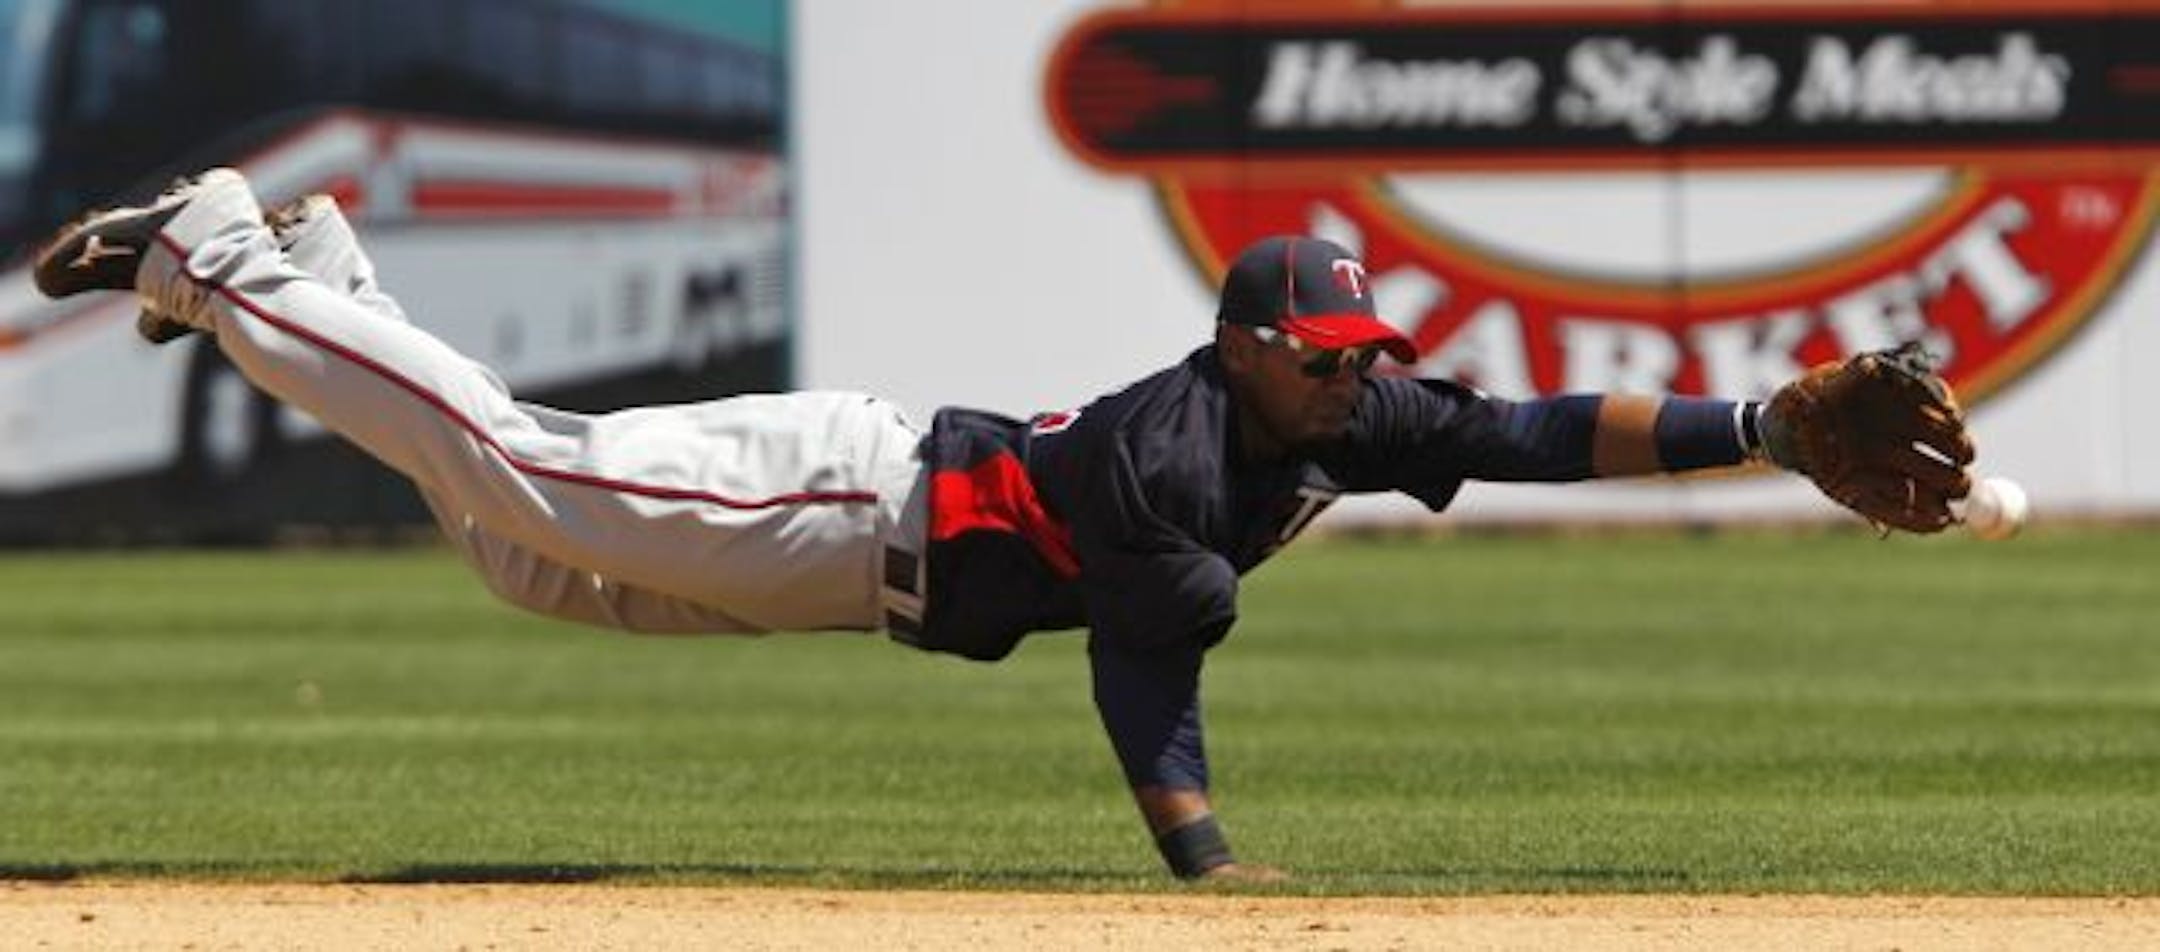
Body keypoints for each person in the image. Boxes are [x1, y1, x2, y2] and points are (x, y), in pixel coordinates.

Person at [34, 169, 1973, 881]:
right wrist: (1207, 869)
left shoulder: (1340, 411)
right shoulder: (1168, 452)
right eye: (1326, 352)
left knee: (521, 547)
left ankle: (319, 268)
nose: (1355, 376)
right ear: (1249, 346)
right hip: (843, 496)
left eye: (1359, 353)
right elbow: (1149, 669)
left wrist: (1766, 418)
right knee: (538, 479)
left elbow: (1542, 427)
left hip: (855, 575)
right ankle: (227, 259)